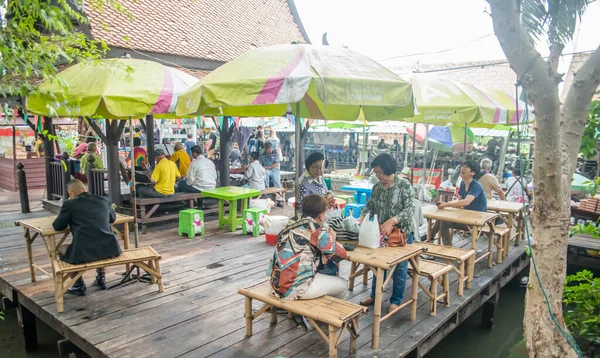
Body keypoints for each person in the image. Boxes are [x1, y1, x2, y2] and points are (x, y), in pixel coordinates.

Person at [358, 154, 415, 313]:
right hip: (381, 234)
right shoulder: (377, 187)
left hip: (400, 234)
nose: (378, 176)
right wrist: (362, 217)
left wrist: (393, 220)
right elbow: (371, 206)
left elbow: (410, 209)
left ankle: (395, 300)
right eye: (376, 173)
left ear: (389, 170)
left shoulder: (404, 185)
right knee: (378, 264)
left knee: (399, 268)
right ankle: (374, 295)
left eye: (380, 172)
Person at [267, 194, 348, 300]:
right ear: (322, 215)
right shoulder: (316, 230)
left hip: (276, 285)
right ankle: (334, 315)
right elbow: (342, 254)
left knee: (320, 278)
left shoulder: (292, 222)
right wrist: (332, 237)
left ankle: (315, 313)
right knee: (343, 284)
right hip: (295, 289)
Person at [52, 179, 122, 294]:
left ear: (71, 194)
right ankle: (101, 278)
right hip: (110, 248)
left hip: (83, 251)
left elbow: (58, 226)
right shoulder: (104, 200)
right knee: (99, 240)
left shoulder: (70, 204)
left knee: (61, 249)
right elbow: (112, 219)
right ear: (85, 189)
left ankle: (78, 284)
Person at [432, 160, 487, 246]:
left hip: (476, 219)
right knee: (441, 218)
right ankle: (430, 239)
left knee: (444, 222)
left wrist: (446, 204)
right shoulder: (463, 183)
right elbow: (459, 201)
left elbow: (466, 202)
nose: (462, 168)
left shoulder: (476, 186)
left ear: (473, 172)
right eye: (462, 166)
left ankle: (446, 247)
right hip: (465, 216)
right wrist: (445, 204)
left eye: (466, 167)